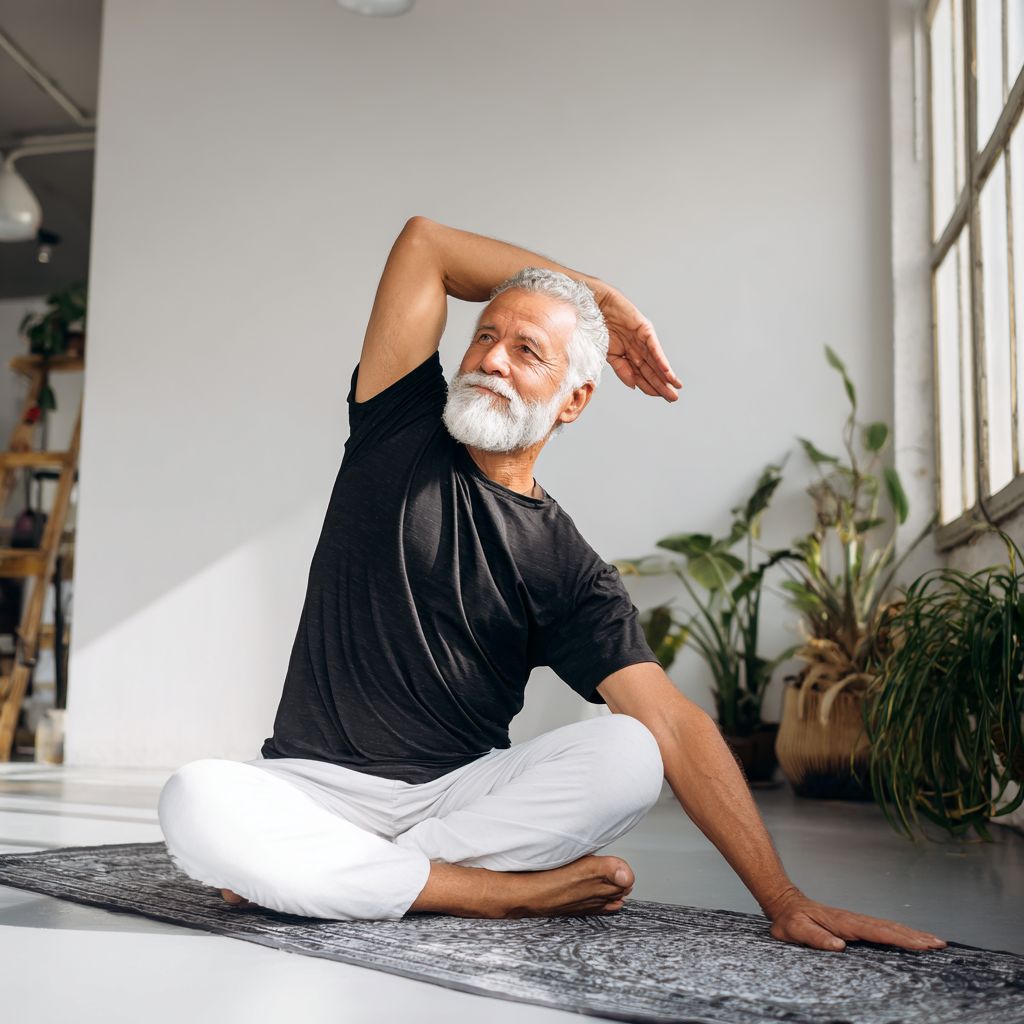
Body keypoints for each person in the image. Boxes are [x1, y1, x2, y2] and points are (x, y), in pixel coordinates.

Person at [159, 218, 944, 952]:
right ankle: (491, 894)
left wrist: (781, 897)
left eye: (528, 351)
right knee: (194, 799)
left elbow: (670, 724)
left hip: (452, 804)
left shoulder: (567, 567)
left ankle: (333, 877)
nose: (493, 358)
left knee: (631, 752)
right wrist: (596, 296)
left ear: (574, 399)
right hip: (309, 788)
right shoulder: (395, 428)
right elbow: (427, 244)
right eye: (485, 337)